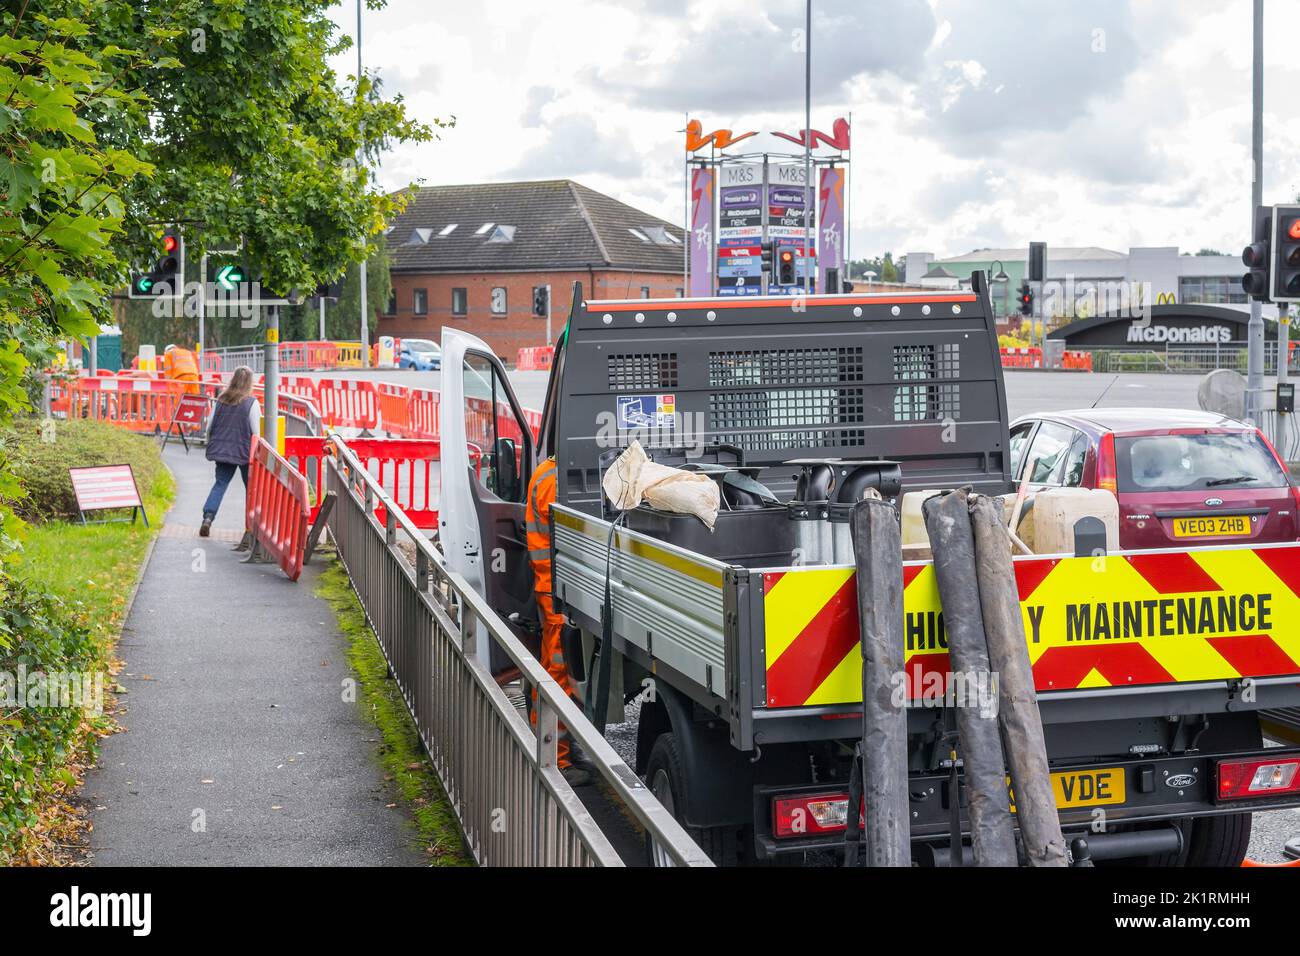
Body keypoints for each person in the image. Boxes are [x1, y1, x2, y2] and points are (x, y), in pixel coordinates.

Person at [525, 454, 589, 786]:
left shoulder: (549, 472)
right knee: (560, 674)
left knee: (559, 669)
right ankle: (555, 760)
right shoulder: (554, 480)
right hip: (558, 593)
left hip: (557, 590)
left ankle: (558, 751)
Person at [200, 366, 260, 537]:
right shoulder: (251, 403)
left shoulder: (221, 400)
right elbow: (256, 432)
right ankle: (251, 527)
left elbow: (210, 426)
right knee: (251, 489)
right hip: (244, 453)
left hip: (222, 450)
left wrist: (210, 442)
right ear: (249, 383)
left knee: (220, 484)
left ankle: (208, 518)